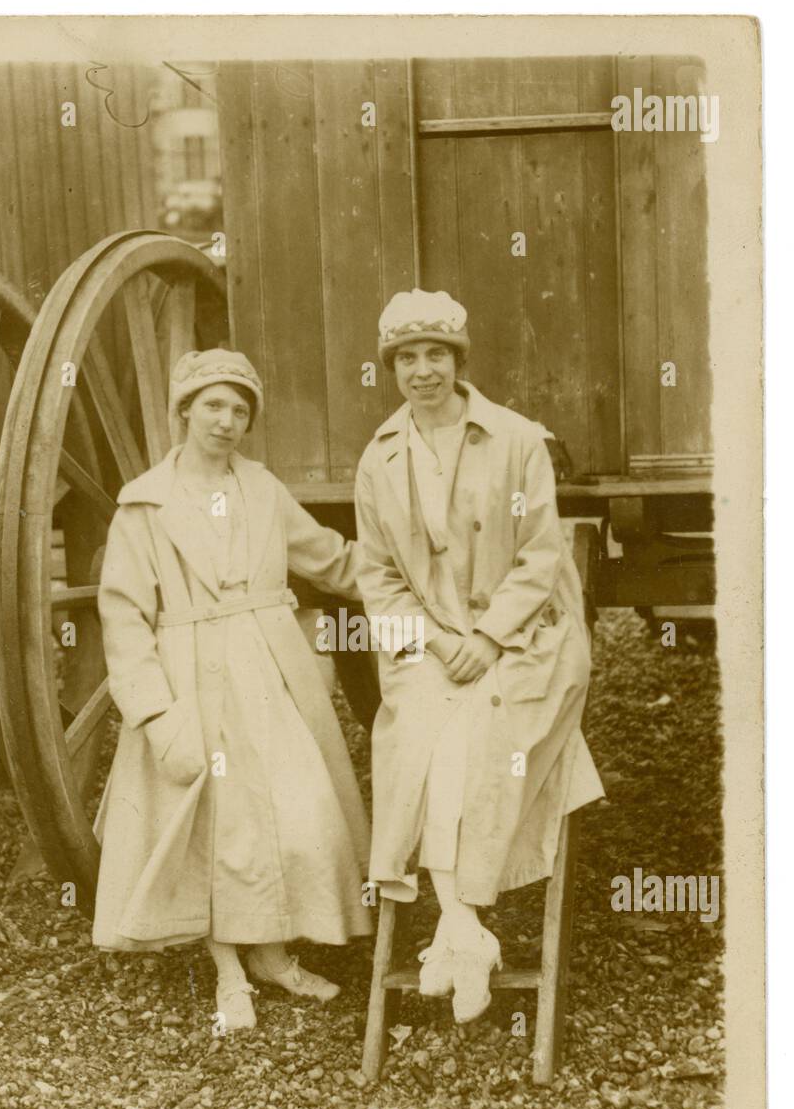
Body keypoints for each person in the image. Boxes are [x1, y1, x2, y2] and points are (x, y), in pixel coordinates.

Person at [92, 348, 373, 1030]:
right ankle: (228, 972)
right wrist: (156, 713)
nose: (226, 420)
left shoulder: (262, 489)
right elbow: (123, 618)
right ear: (184, 410)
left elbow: (331, 561)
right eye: (213, 405)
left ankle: (273, 954)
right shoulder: (145, 505)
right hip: (189, 673)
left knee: (292, 810)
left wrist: (425, 582)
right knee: (216, 823)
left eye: (240, 409)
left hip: (271, 668)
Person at [355, 290, 604, 1025]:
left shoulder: (516, 439)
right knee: (418, 734)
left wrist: (489, 638)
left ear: (460, 362)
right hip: (429, 642)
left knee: (475, 733)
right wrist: (436, 642)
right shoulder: (380, 458)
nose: (422, 371)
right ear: (392, 368)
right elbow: (379, 578)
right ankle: (467, 931)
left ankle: (453, 927)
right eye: (407, 358)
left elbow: (540, 556)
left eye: (436, 355)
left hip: (527, 634)